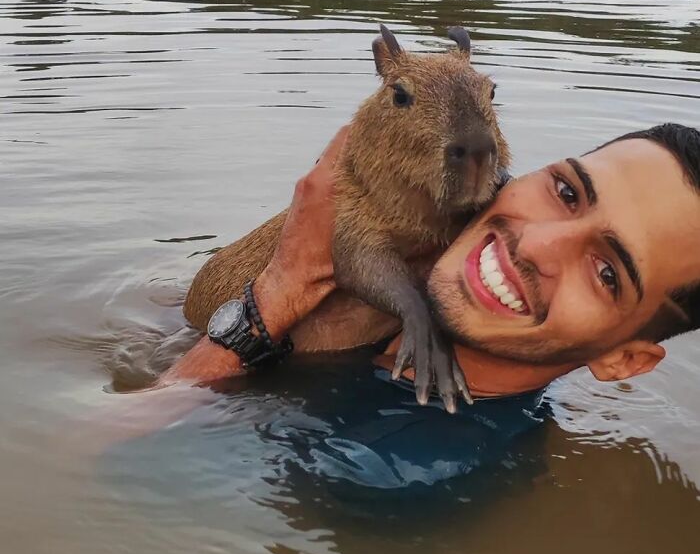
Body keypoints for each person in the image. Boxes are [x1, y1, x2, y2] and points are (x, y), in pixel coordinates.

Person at [164, 122, 700, 400]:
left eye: (606, 274)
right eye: (565, 192)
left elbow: (126, 445)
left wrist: (286, 286)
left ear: (624, 360)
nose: (534, 245)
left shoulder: (392, 470)